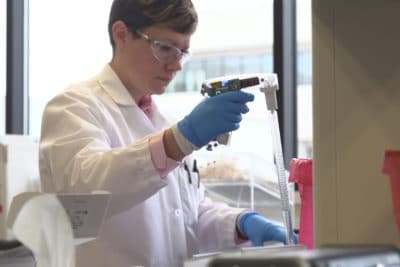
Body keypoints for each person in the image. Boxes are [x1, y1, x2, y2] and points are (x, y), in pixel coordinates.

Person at [39, 0, 298, 266]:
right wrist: (177, 142)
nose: (176, 66)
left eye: (182, 53)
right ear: (121, 34)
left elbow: (186, 216)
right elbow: (85, 191)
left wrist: (240, 223)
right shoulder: (73, 108)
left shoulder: (165, 123)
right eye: (165, 48)